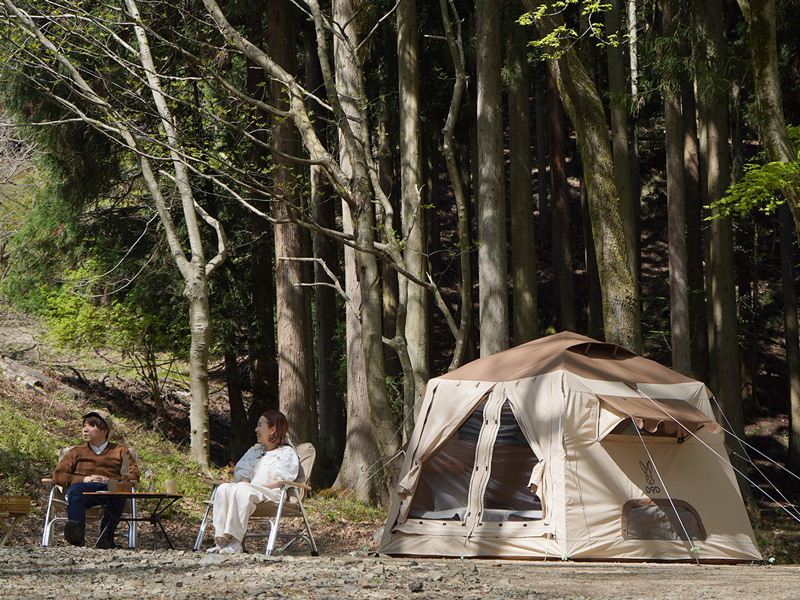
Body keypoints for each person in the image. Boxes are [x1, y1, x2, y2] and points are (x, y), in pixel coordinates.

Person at [206, 410, 299, 554]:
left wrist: (250, 487)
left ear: (273, 429)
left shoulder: (286, 453)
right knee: (223, 488)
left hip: (270, 492)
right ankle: (222, 541)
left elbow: (281, 481)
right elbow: (243, 472)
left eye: (260, 425)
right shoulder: (254, 452)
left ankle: (235, 541)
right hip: (250, 491)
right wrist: (246, 484)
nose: (256, 430)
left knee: (242, 489)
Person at [52, 410, 139, 549]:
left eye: (90, 426)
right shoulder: (75, 452)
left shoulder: (121, 451)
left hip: (109, 490)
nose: (84, 429)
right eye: (84, 425)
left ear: (104, 430)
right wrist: (84, 479)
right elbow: (58, 475)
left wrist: (109, 480)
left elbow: (134, 475)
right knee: (76, 488)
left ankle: (106, 538)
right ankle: (77, 536)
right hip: (84, 492)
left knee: (120, 491)